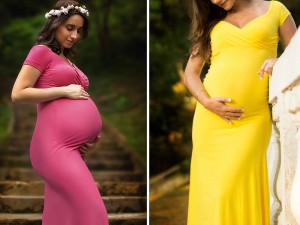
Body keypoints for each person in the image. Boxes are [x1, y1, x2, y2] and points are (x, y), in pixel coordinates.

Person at [184, 0, 297, 224]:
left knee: (237, 184)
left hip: (252, 120)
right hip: (211, 121)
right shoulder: (211, 21)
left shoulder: (276, 10)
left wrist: (279, 61)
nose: (215, 1)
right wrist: (207, 102)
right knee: (215, 192)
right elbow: (191, 72)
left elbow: (297, 55)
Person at [11, 1, 109, 224]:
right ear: (55, 24)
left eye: (80, 30)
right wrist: (65, 90)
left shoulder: (66, 59)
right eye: (70, 28)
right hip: (54, 148)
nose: (75, 35)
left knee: (63, 217)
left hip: (73, 149)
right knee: (94, 212)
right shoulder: (41, 52)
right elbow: (18, 93)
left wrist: (91, 137)